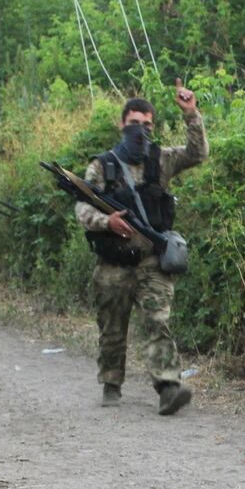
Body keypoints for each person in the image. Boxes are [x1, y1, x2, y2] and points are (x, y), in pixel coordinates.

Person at [72, 82, 205, 414]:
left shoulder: (160, 160)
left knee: (157, 321)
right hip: (114, 260)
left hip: (150, 260)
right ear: (121, 124)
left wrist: (191, 114)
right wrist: (108, 222)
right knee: (112, 328)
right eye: (134, 123)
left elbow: (197, 153)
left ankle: (168, 387)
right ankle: (111, 384)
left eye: (147, 125)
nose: (140, 131)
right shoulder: (103, 166)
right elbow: (82, 208)